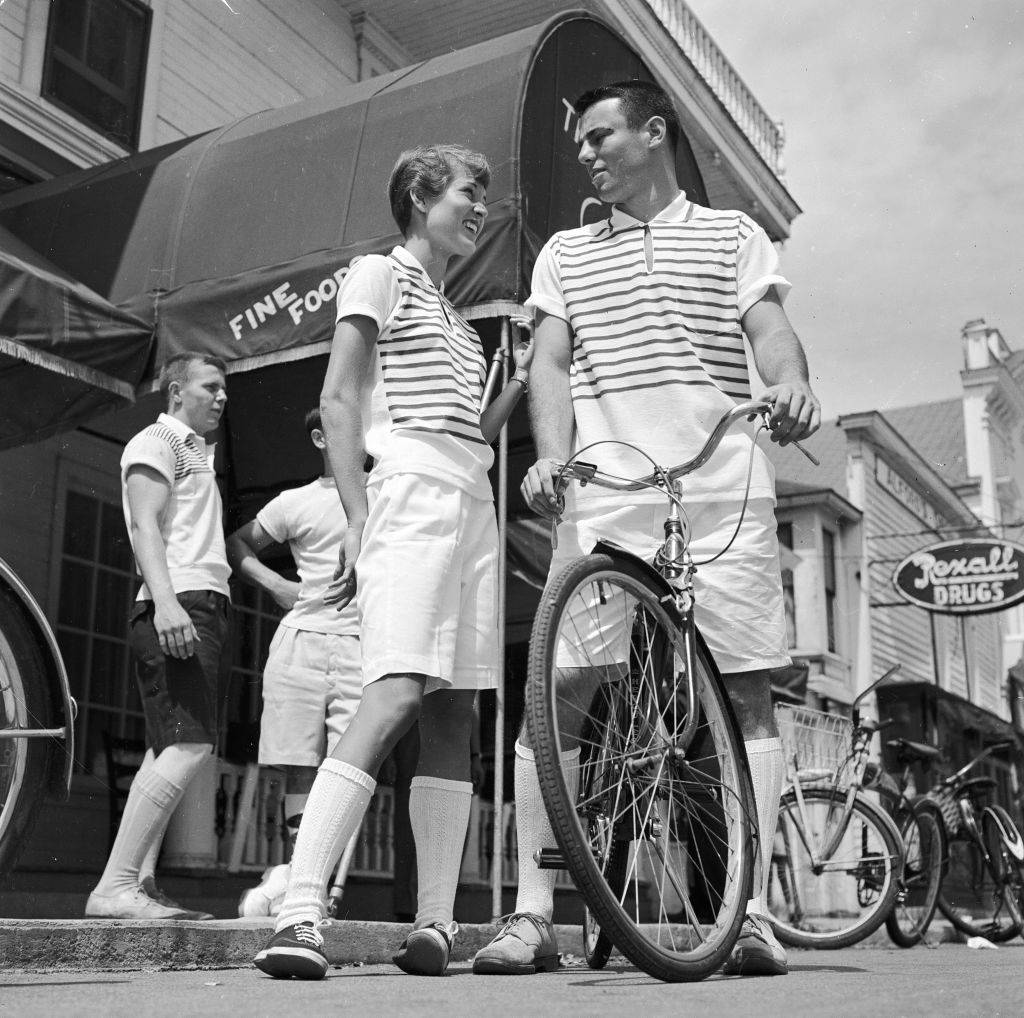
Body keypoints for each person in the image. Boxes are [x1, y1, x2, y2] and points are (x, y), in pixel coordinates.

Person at [473, 79, 820, 978]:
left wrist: (790, 383)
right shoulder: (564, 253)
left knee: (744, 691)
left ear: (654, 132)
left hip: (722, 485)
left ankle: (749, 912)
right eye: (580, 143)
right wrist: (552, 458)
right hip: (608, 494)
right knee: (562, 690)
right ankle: (532, 914)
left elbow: (770, 331)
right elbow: (552, 364)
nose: (585, 154)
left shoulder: (733, 235)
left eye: (600, 136)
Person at [253, 143, 531, 980]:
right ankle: (301, 911)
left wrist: (513, 391)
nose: (480, 207)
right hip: (407, 491)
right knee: (397, 691)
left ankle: (436, 922)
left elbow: (464, 434)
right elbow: (341, 395)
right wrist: (356, 511)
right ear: (418, 194)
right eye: (468, 192)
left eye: (484, 195)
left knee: (455, 713)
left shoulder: (458, 319)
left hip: (472, 497)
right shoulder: (379, 272)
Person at [85, 353, 231, 921]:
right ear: (175, 391)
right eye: (210, 387)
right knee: (189, 744)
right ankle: (115, 886)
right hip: (179, 602)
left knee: (166, 747)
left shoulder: (196, 450)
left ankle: (139, 883)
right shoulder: (156, 440)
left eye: (223, 389)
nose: (221, 397)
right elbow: (143, 523)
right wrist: (167, 603)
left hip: (201, 602)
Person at [227, 408, 363, 918]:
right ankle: (301, 886)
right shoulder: (296, 501)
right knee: (300, 765)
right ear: (320, 438)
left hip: (362, 644)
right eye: (344, 428)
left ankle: (295, 880)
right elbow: (237, 543)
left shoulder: (383, 493)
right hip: (302, 639)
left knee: (350, 769)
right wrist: (276, 584)